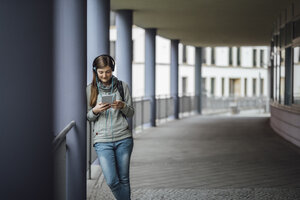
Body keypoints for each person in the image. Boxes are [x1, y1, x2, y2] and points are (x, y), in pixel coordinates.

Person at [86, 55, 134, 200]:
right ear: (95, 71)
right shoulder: (90, 89)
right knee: (112, 181)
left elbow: (131, 113)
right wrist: (95, 110)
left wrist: (123, 106)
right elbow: (88, 117)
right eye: (101, 72)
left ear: (112, 70)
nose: (104, 75)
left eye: (107, 71)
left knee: (124, 179)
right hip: (102, 141)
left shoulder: (122, 86)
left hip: (124, 138)